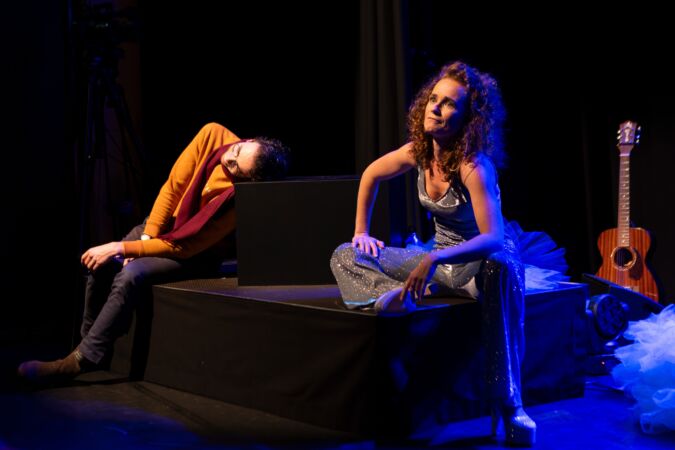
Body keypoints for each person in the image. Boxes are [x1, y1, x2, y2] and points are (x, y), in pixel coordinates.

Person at [330, 61, 536, 446]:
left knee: (500, 267)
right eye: (433, 99)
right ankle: (389, 299)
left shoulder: (474, 167)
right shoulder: (419, 152)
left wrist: (433, 259)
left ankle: (512, 405)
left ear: (468, 119)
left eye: (449, 104)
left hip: (481, 264)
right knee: (345, 254)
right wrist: (361, 232)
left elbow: (493, 237)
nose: (436, 108)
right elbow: (371, 173)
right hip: (440, 260)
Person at [18, 122, 290, 382]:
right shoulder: (213, 134)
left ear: (248, 179)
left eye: (236, 167)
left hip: (193, 254)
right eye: (237, 150)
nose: (228, 159)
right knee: (101, 264)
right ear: (250, 140)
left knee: (130, 275)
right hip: (161, 229)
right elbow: (173, 187)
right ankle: (86, 344)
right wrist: (145, 239)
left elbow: (184, 247)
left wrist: (128, 249)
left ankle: (80, 361)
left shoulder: (237, 199)